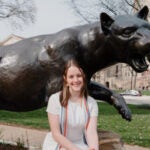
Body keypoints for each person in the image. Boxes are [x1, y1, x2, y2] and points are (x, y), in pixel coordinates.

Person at [42, 59, 99, 150]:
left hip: (80, 144)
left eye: (79, 76)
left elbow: (91, 132)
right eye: (71, 77)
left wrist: (94, 148)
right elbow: (56, 134)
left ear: (84, 77)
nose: (75, 80)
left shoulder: (91, 103)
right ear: (66, 79)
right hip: (57, 144)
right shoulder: (55, 100)